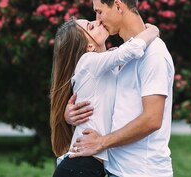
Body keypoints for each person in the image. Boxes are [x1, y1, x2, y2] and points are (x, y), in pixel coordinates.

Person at [66, 0, 175, 177]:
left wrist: (102, 142)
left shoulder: (154, 54)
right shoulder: (121, 56)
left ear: (118, 6)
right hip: (117, 170)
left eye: (99, 12)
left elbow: (152, 119)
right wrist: (71, 114)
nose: (97, 20)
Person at [50, 17, 160, 177]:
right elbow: (131, 49)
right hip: (81, 167)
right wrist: (153, 31)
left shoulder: (104, 67)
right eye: (91, 27)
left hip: (90, 167)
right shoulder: (88, 62)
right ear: (89, 46)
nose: (98, 22)